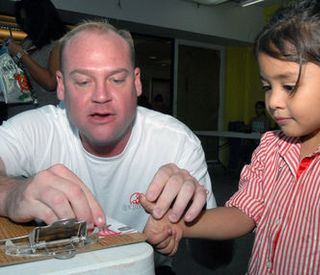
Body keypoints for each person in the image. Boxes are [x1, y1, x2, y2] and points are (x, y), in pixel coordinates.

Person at [141, 0, 320, 274]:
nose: (274, 101)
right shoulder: (272, 146)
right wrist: (180, 226)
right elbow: (245, 213)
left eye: (289, 85)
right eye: (268, 86)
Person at [0, 21, 216, 275]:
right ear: (61, 85)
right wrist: (12, 193)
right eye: (82, 81)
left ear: (136, 83)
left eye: (116, 79)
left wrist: (187, 223)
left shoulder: (177, 142)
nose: (101, 95)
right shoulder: (38, 129)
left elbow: (214, 259)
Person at [4, 0, 67, 117]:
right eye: (21, 20)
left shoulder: (59, 44)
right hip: (18, 114)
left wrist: (21, 54)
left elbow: (51, 83)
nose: (24, 25)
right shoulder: (28, 42)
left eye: (27, 20)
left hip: (42, 116)